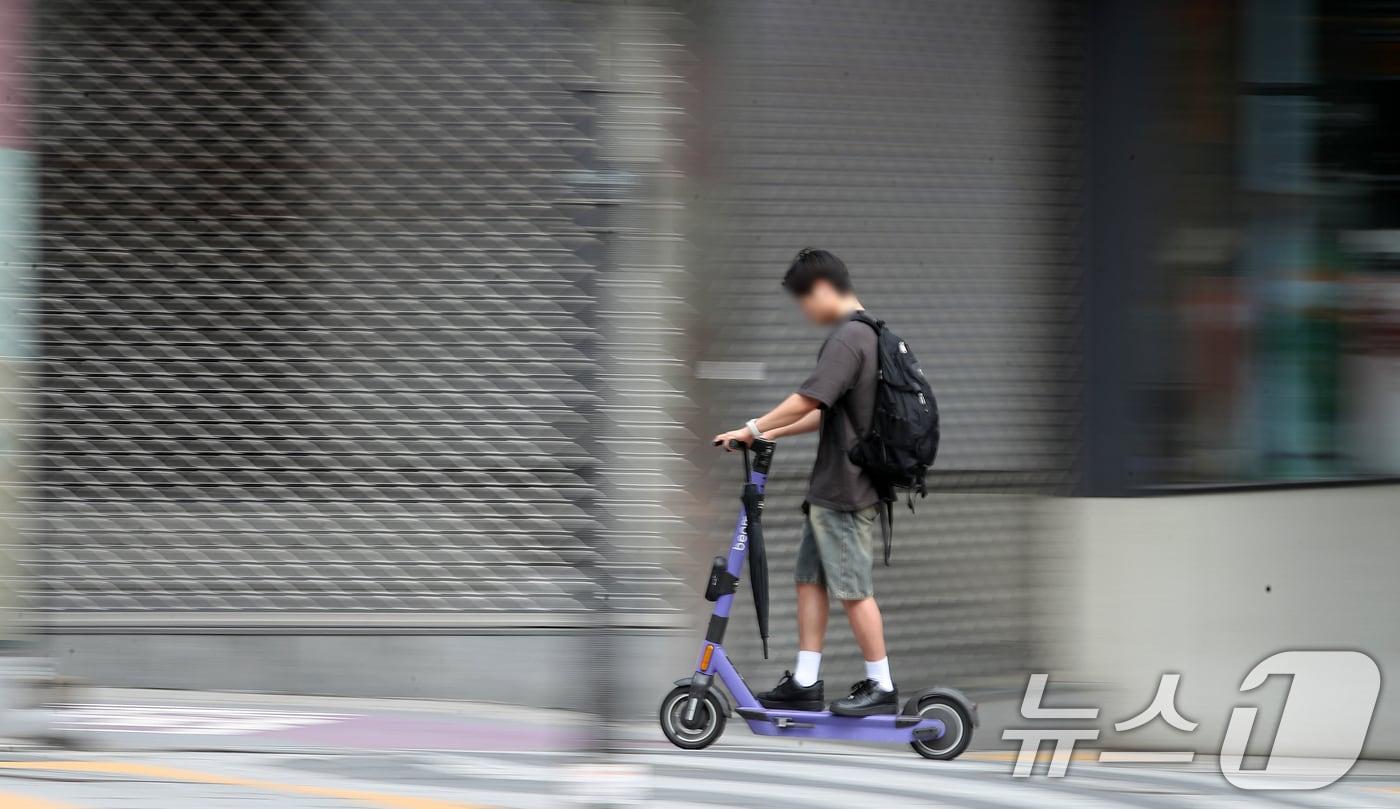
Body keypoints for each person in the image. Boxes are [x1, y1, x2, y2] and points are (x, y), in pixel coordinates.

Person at [711, 247, 896, 717]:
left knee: (853, 589)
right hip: (832, 489)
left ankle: (881, 684)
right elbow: (823, 414)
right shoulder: (867, 336)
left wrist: (754, 426)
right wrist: (767, 434)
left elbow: (805, 400)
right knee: (810, 581)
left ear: (821, 289)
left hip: (846, 492)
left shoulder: (850, 339)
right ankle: (806, 681)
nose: (804, 312)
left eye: (803, 301)